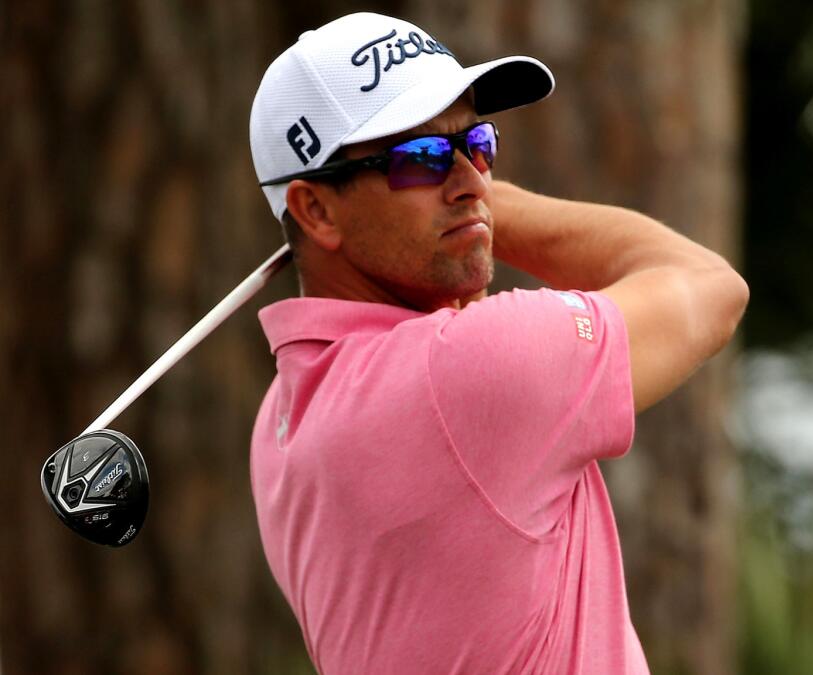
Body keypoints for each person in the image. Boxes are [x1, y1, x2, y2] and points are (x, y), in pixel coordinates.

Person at [247, 12, 748, 675]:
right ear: (315, 210)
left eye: (477, 142)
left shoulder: (279, 420)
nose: (471, 179)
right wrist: (492, 212)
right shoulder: (464, 373)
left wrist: (457, 209)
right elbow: (710, 287)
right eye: (420, 159)